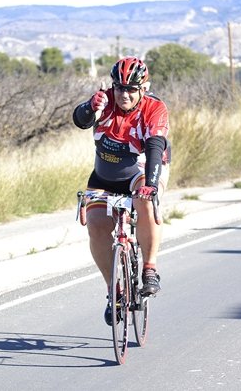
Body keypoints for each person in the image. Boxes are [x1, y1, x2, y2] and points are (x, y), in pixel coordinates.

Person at [72, 56, 171, 325]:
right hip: (104, 176)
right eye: (119, 88)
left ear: (143, 88)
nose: (123, 94)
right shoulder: (104, 101)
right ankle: (113, 292)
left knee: (145, 202)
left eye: (130, 89)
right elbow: (80, 120)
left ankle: (149, 269)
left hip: (141, 171)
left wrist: (151, 186)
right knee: (95, 224)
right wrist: (88, 107)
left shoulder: (154, 108)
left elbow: (155, 148)